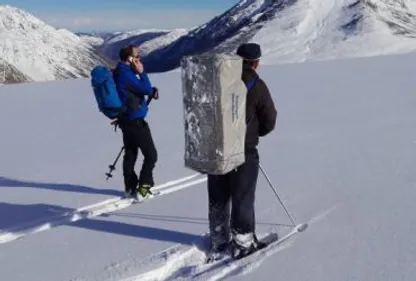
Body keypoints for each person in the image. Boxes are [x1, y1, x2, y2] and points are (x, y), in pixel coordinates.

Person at [207, 42, 277, 260]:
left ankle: (219, 240)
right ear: (256, 62)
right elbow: (269, 119)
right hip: (243, 150)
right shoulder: (257, 85)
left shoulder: (217, 78)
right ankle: (243, 243)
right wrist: (255, 134)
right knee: (242, 197)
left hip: (216, 148)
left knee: (218, 196)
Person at [112, 45, 159, 198]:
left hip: (126, 120)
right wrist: (142, 72)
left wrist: (151, 91)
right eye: (137, 56)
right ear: (130, 58)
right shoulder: (126, 74)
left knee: (131, 154)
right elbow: (144, 88)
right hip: (135, 121)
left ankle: (130, 188)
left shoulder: (121, 72)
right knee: (151, 155)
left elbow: (139, 89)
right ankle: (143, 189)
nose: (139, 58)